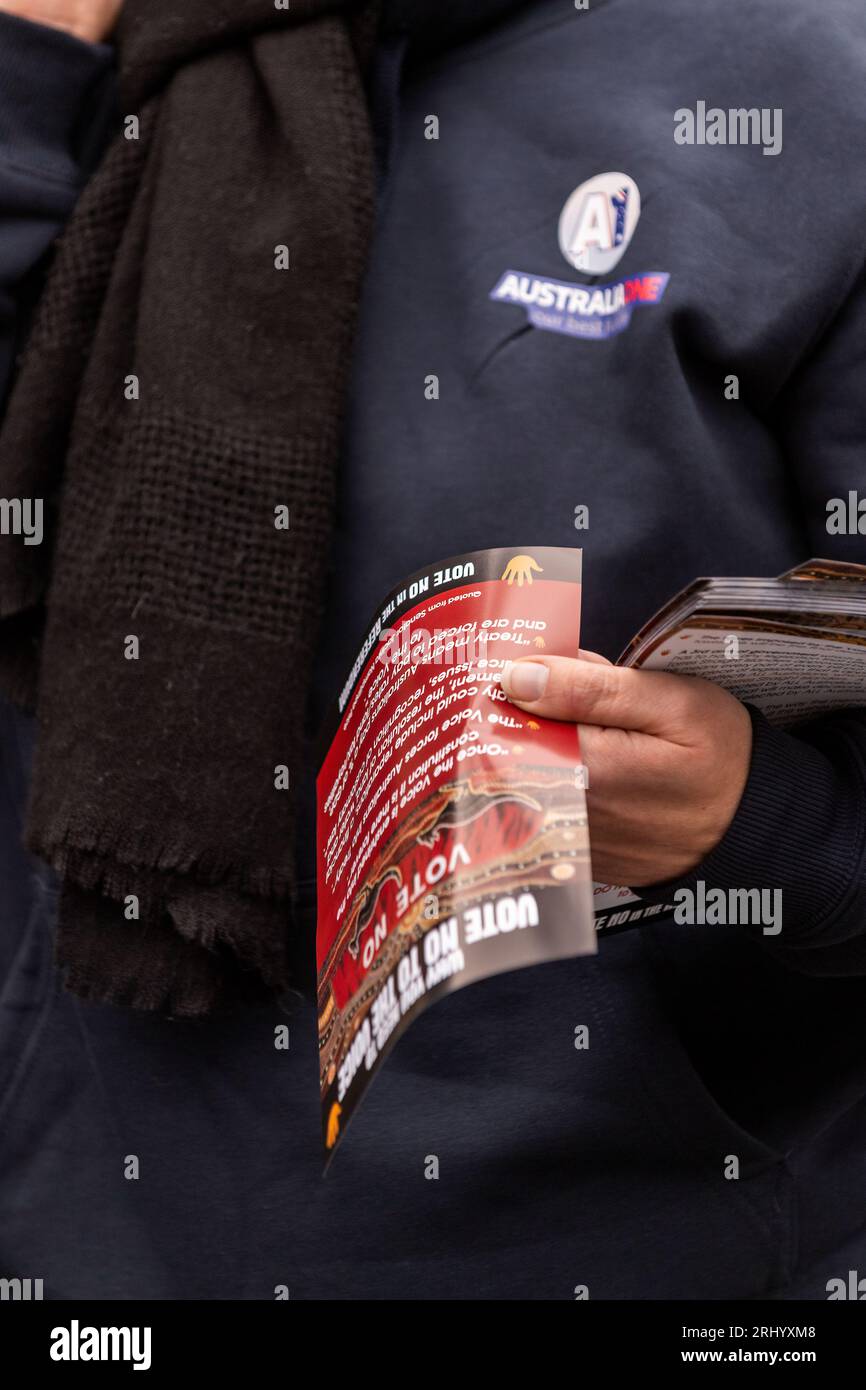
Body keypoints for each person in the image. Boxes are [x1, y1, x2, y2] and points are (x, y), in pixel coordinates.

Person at [1, 0, 865, 1301]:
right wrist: (24, 79)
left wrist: (759, 822)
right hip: (86, 1238)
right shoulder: (94, 46)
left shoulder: (800, 83)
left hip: (627, 1246)